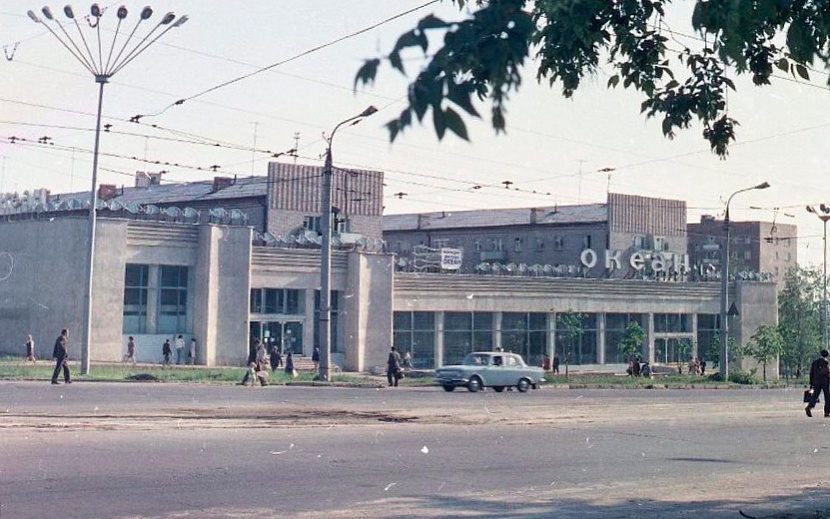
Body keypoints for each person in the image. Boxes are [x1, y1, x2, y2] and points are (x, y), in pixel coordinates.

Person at [806, 349, 830, 418]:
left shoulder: (815, 362)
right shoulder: (826, 363)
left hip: (816, 382)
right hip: (825, 382)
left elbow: (811, 373)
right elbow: (827, 373)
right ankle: (827, 412)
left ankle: (809, 407)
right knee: (827, 397)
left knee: (815, 396)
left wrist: (811, 383)